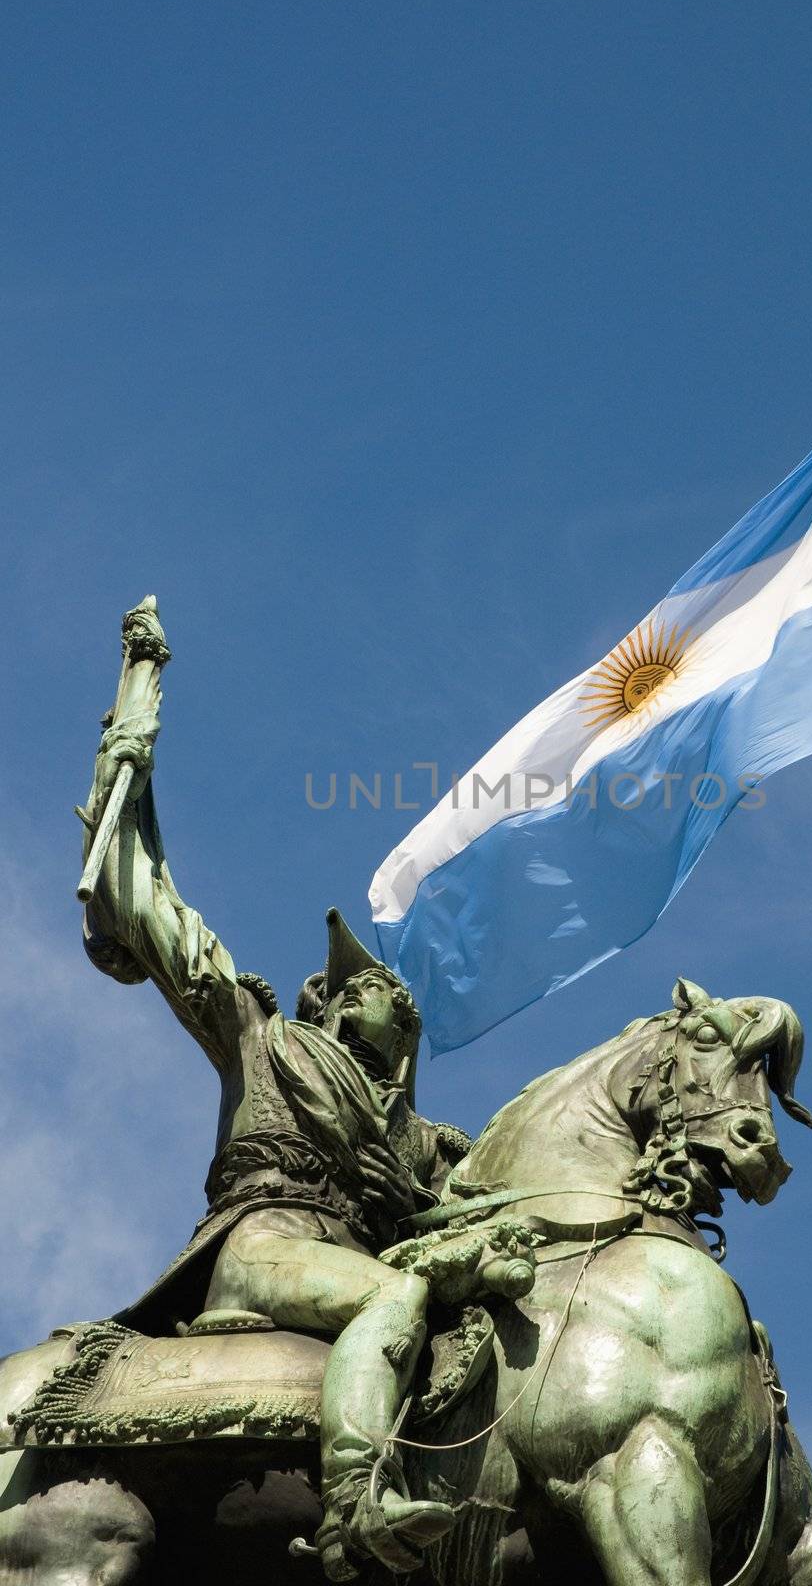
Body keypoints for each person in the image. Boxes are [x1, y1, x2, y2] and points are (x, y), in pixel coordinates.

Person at [80, 600, 463, 1580]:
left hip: (334, 1262)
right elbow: (166, 922)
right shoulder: (262, 1036)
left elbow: (482, 1207)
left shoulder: (420, 1137)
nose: (385, 1001)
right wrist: (134, 721)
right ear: (329, 1001)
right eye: (373, 989)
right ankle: (357, 1509)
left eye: (392, 998)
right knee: (400, 1290)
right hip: (268, 1247)